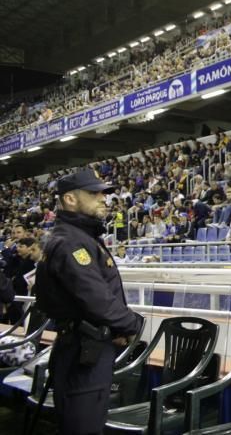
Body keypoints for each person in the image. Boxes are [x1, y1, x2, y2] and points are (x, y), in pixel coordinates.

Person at [36, 169, 143, 435]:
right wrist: (131, 325)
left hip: (85, 347)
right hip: (83, 353)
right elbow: (97, 300)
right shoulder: (72, 242)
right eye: (94, 193)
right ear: (70, 199)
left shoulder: (77, 237)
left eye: (104, 193)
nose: (103, 198)